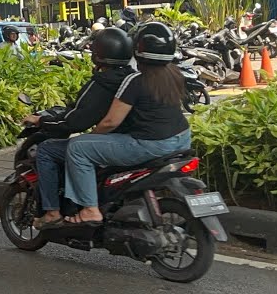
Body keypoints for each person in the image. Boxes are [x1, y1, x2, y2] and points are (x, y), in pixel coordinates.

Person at [63, 22, 192, 225]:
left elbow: (110, 122)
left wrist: (92, 136)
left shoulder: (136, 81)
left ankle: (90, 210)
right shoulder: (175, 74)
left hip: (151, 144)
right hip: (182, 139)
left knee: (78, 148)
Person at [29, 29, 135, 228]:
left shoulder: (102, 83)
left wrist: (41, 121)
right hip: (138, 141)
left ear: (98, 54)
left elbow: (75, 121)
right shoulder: (132, 78)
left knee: (47, 149)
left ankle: (53, 212)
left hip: (117, 144)